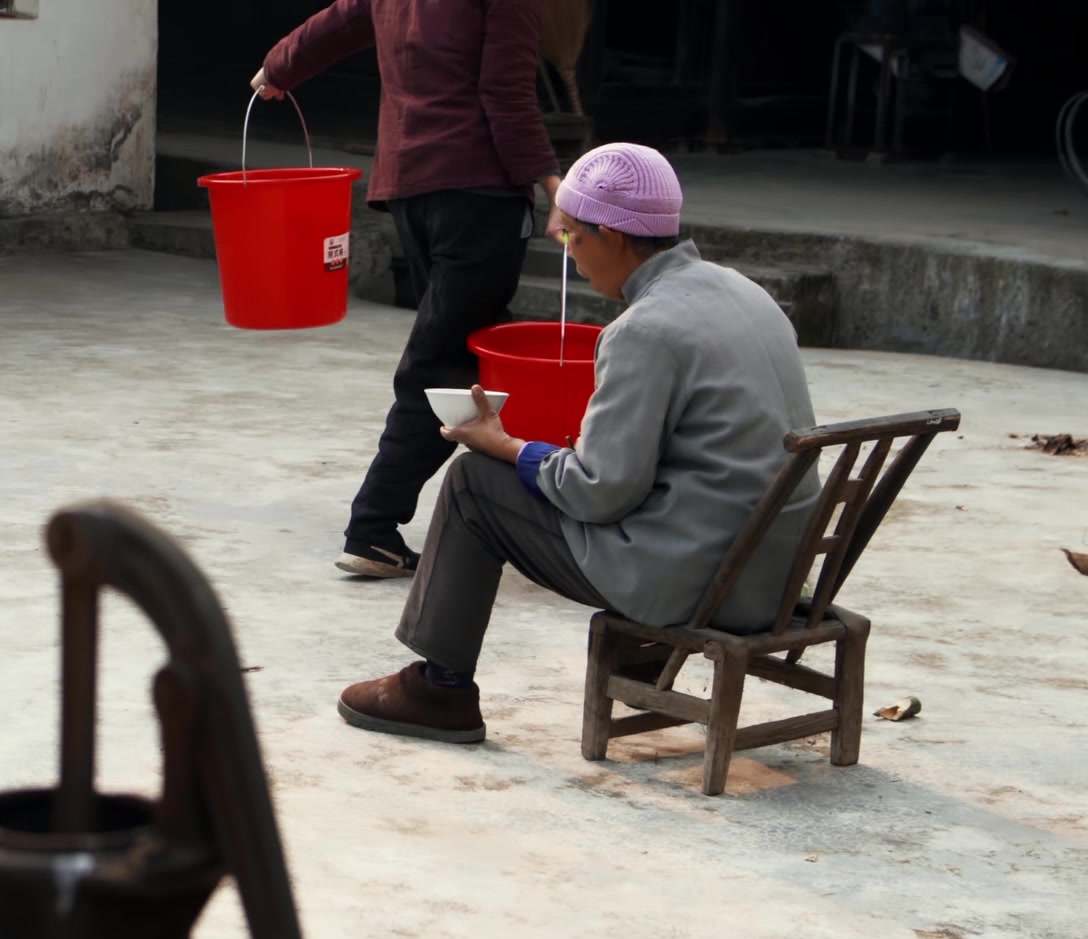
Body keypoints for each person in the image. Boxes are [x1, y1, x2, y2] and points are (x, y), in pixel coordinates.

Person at [335, 143, 821, 744]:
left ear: (611, 236)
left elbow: (600, 493)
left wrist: (505, 445)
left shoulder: (644, 331)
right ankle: (640, 666)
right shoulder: (746, 294)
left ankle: (441, 689)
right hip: (775, 575)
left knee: (471, 484)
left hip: (698, 581)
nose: (571, 260)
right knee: (568, 469)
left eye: (570, 240)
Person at [251, 0, 563, 580]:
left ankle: (545, 505)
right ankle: (372, 526)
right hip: (478, 190)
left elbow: (342, 19)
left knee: (476, 353)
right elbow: (506, 92)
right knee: (445, 360)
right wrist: (553, 183)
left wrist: (278, 67)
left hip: (413, 187)